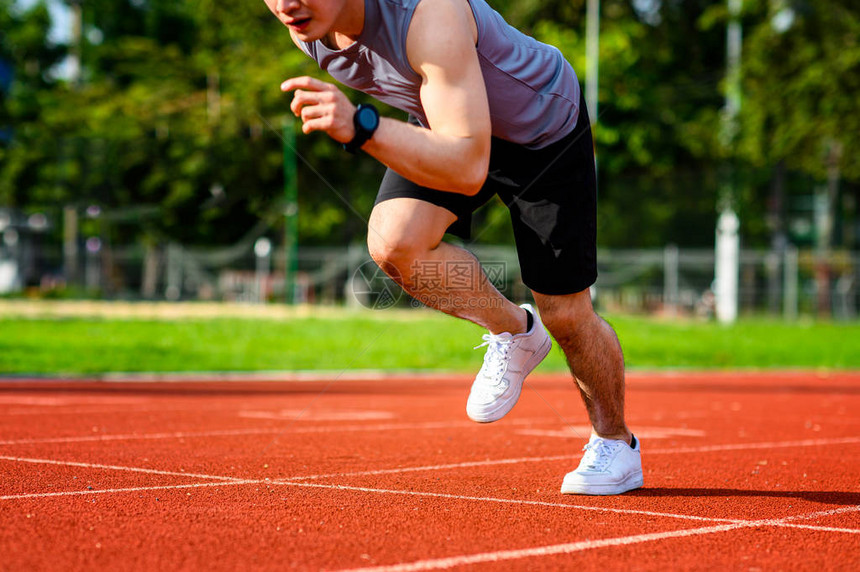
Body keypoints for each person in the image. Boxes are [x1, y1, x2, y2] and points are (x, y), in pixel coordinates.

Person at [263, 0, 643, 495]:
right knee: (395, 243)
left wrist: (362, 127)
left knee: (566, 313)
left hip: (542, 131)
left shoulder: (430, 13)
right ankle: (515, 331)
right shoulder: (311, 28)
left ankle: (616, 445)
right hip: (451, 124)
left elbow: (467, 169)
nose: (287, 3)